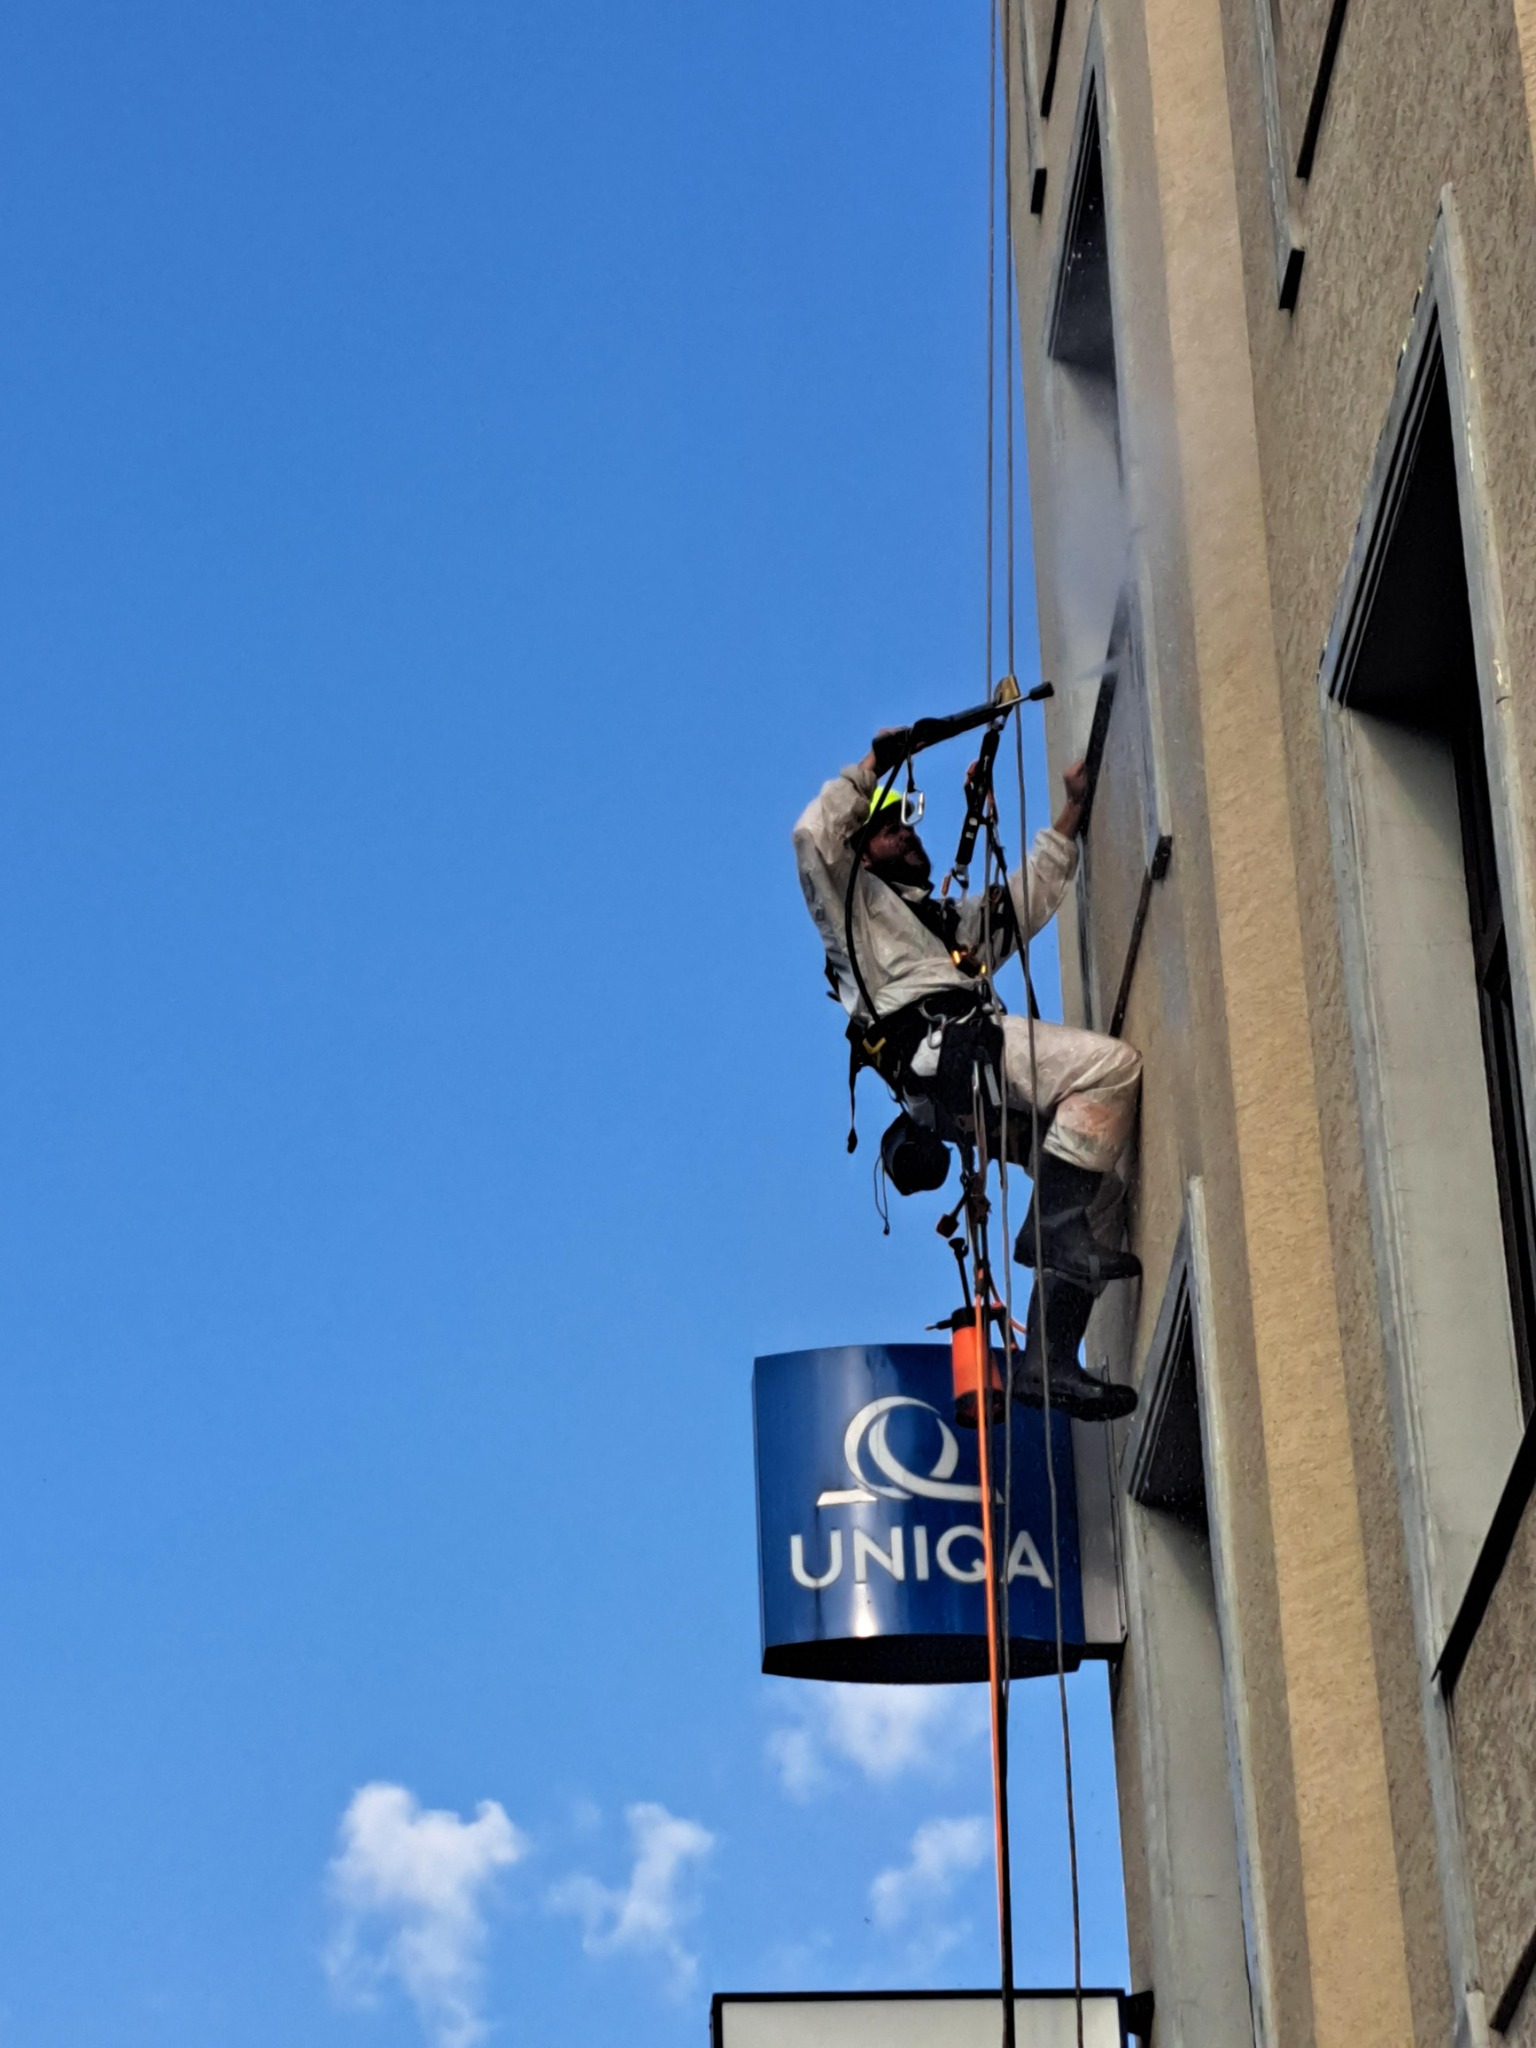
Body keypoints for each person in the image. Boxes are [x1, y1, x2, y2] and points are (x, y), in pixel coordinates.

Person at [793, 734, 1141, 1421]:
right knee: (1112, 1068)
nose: (907, 836)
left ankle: (1047, 1360)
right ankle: (1051, 1227)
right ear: (860, 851)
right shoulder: (853, 914)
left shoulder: (942, 925)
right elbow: (811, 835)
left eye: (906, 824)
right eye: (888, 830)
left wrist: (1072, 810)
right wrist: (871, 765)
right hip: (954, 1053)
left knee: (1102, 1192)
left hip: (965, 1085)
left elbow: (1024, 901)